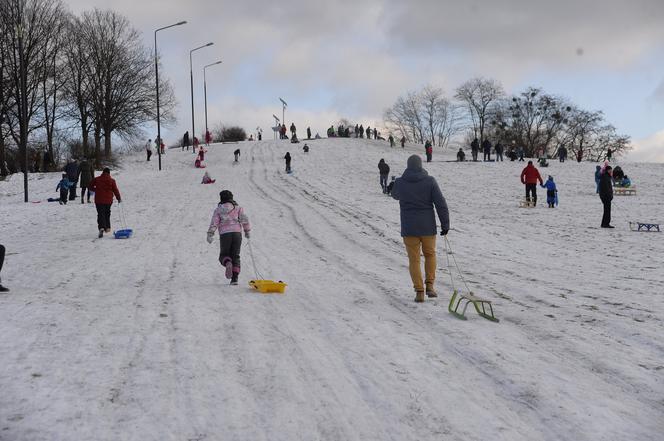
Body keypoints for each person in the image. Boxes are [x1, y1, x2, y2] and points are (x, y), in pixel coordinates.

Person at [391, 155, 449, 303]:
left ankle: (419, 292)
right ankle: (430, 285)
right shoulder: (430, 181)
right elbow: (440, 203)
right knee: (430, 255)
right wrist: (445, 224)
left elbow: (395, 195)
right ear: (420, 165)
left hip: (409, 227)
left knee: (414, 260)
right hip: (427, 227)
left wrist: (394, 186)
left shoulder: (400, 182)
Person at [207, 190, 251, 285]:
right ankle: (234, 279)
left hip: (225, 234)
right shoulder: (238, 208)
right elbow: (244, 219)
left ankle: (227, 263)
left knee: (224, 255)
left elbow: (214, 222)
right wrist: (247, 231)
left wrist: (210, 233)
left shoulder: (218, 210)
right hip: (237, 234)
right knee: (236, 255)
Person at [89, 168, 122, 238]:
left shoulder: (97, 179)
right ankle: (107, 227)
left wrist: (95, 189)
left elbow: (90, 186)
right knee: (107, 213)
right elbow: (115, 190)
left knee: (100, 213)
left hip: (99, 200)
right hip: (108, 200)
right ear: (109, 173)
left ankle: (101, 227)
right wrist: (118, 198)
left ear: (103, 172)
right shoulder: (112, 181)